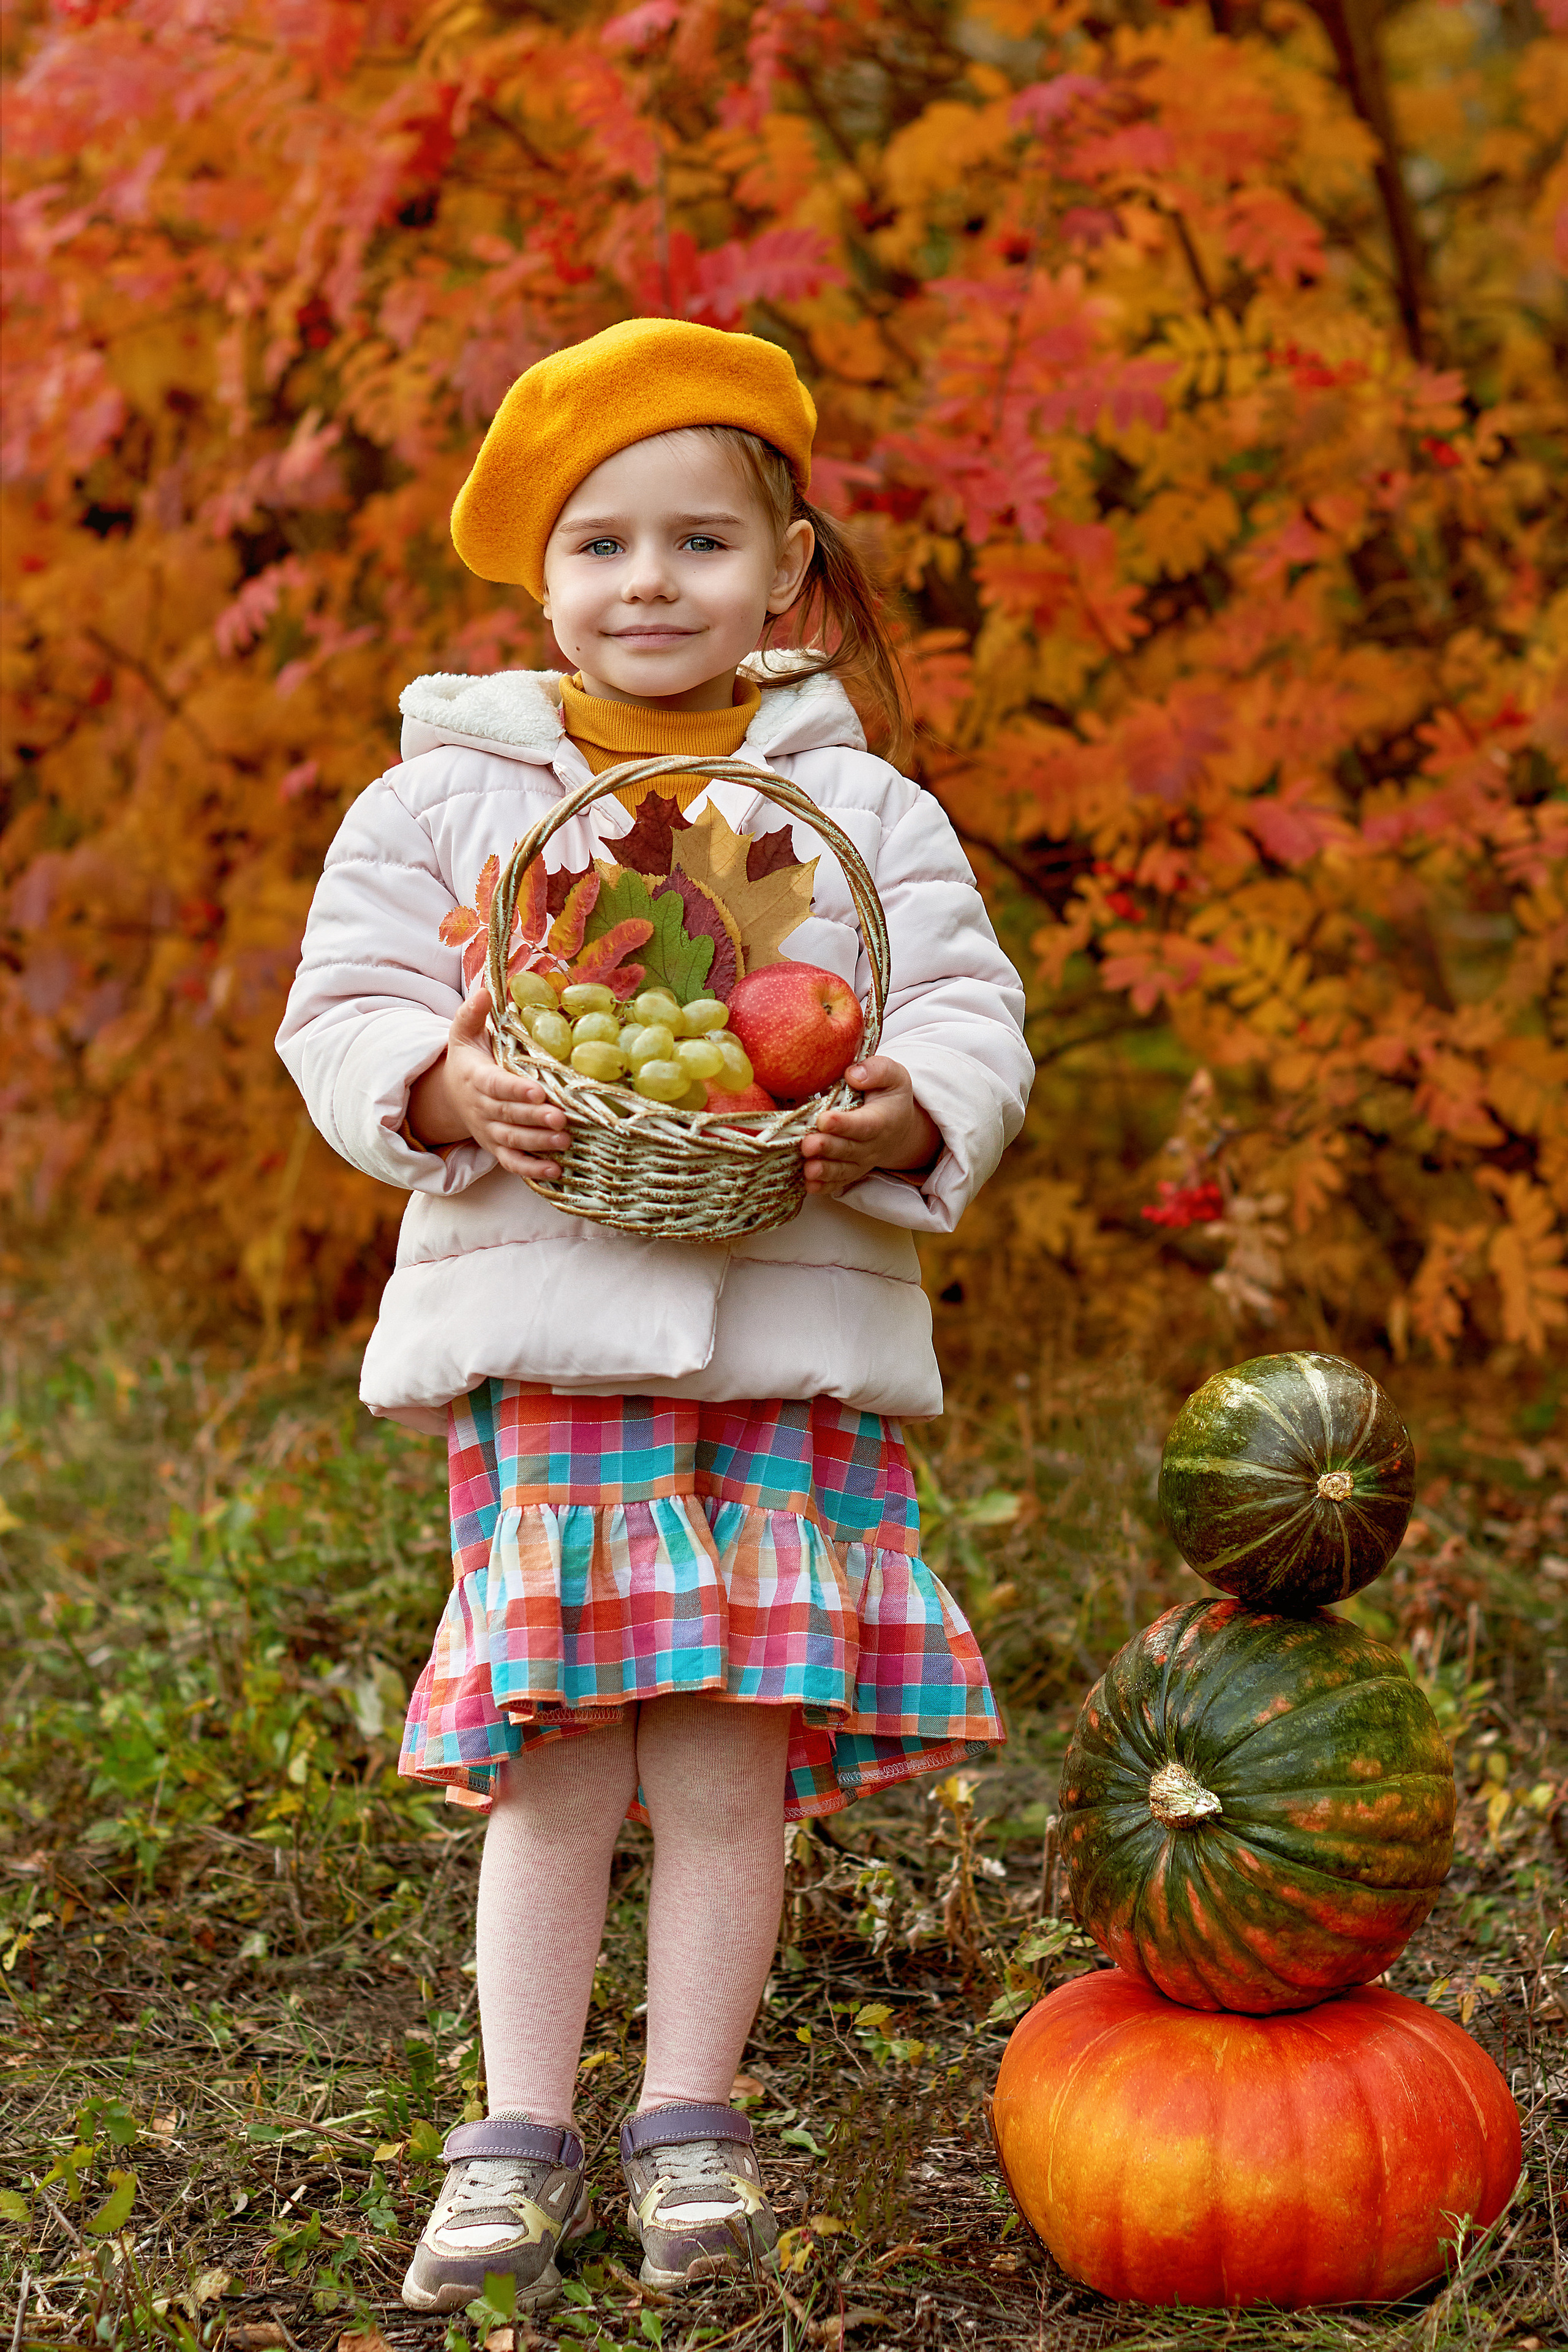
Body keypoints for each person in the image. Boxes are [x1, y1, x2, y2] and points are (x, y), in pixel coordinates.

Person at [276, 316, 1033, 2316]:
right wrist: (435, 1089)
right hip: (553, 1333)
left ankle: (690, 2111)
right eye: (603, 546)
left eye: (701, 544)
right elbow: (342, 1005)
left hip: (783, 1328)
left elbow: (964, 1004)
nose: (649, 585)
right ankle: (516, 2129)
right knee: (558, 1750)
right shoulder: (445, 796)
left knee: (722, 1751)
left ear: (786, 572)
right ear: (543, 580)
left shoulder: (859, 805)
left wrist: (908, 1104)